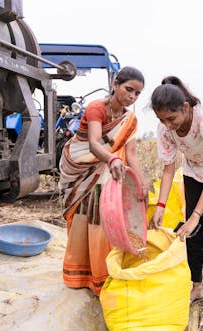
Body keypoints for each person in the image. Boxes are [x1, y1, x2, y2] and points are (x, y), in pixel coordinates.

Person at [149, 76, 203, 327]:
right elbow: (168, 169)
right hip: (192, 173)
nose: (167, 125)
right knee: (193, 235)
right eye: (161, 120)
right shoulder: (165, 129)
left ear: (185, 108)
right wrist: (161, 206)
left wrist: (196, 214)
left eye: (171, 119)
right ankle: (196, 287)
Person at [58, 66, 147, 296]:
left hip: (105, 169)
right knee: (83, 215)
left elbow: (133, 155)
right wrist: (111, 159)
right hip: (81, 164)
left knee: (101, 216)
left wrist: (142, 183)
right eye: (129, 89)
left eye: (137, 94)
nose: (132, 97)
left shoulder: (130, 119)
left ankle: (101, 274)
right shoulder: (97, 108)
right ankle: (80, 273)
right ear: (116, 85)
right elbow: (94, 143)